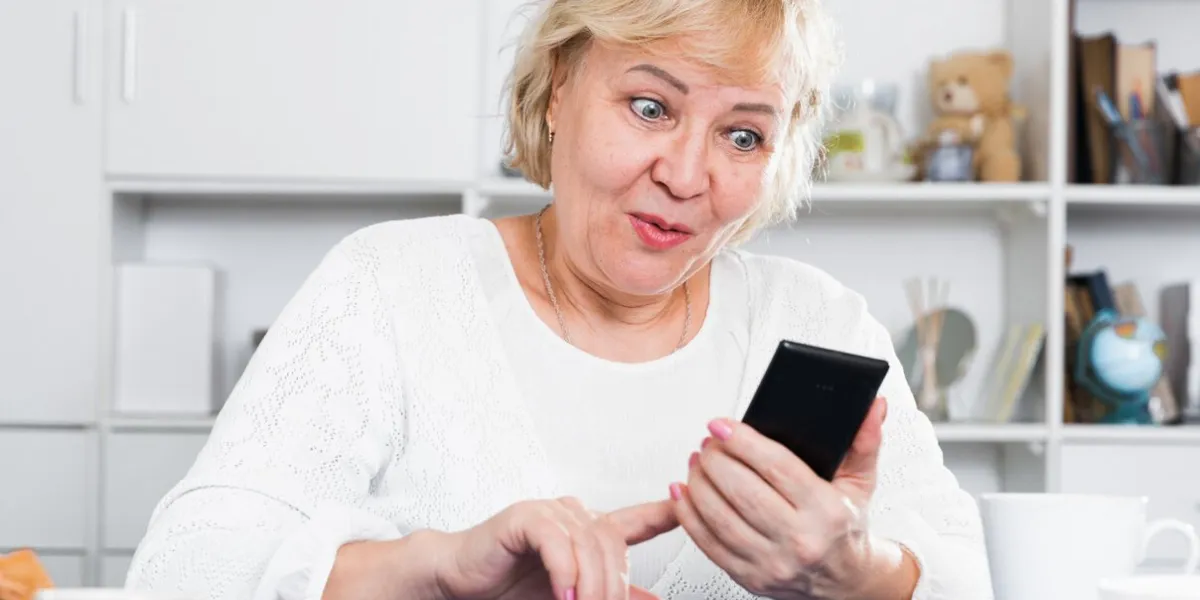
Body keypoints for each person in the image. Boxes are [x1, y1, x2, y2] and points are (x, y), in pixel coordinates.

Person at [126, 0, 994, 598]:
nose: (688, 175)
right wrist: (441, 569)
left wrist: (862, 574)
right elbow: (184, 572)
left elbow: (967, 577)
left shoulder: (816, 320)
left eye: (743, 134)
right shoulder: (393, 285)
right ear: (558, 89)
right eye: (651, 107)